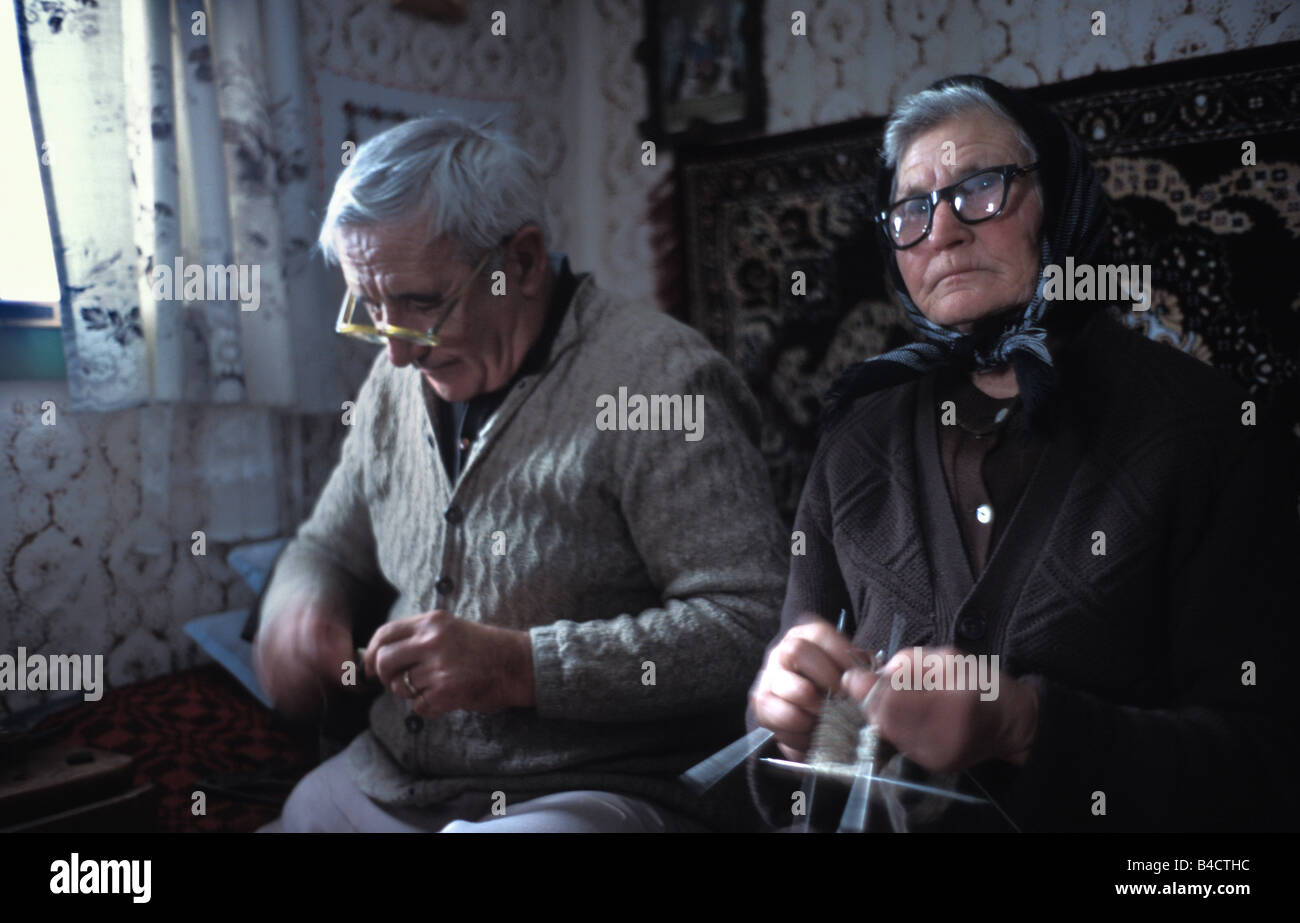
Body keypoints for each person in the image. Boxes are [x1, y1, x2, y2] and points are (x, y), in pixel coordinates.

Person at [747, 74, 1300, 832]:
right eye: (912, 207)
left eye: (980, 188)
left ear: (1062, 201)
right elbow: (822, 771)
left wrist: (1021, 722)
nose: (942, 230)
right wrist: (794, 722)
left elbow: (1267, 766)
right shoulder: (856, 443)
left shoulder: (1204, 432)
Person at [254, 115, 787, 832]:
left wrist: (521, 667)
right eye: (369, 307)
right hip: (396, 776)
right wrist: (300, 602)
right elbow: (327, 546)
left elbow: (751, 623)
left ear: (525, 262)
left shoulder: (659, 382)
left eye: (418, 303)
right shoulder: (392, 379)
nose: (397, 351)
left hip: (593, 786)